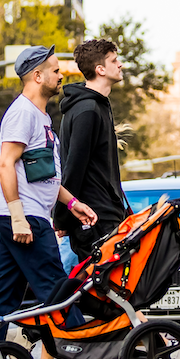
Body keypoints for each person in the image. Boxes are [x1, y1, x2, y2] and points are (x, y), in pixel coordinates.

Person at [0, 45, 97, 359]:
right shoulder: (22, 113)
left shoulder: (41, 117)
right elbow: (5, 164)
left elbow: (43, 174)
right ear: (37, 76)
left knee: (2, 299)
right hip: (25, 218)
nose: (61, 75)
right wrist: (18, 217)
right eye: (55, 70)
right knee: (58, 290)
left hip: (27, 215)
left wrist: (72, 203)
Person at [57, 38, 131, 262]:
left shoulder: (97, 105)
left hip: (103, 215)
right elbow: (73, 168)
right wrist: (62, 218)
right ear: (100, 69)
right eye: (114, 60)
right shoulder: (87, 110)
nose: (120, 64)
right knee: (101, 283)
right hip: (95, 219)